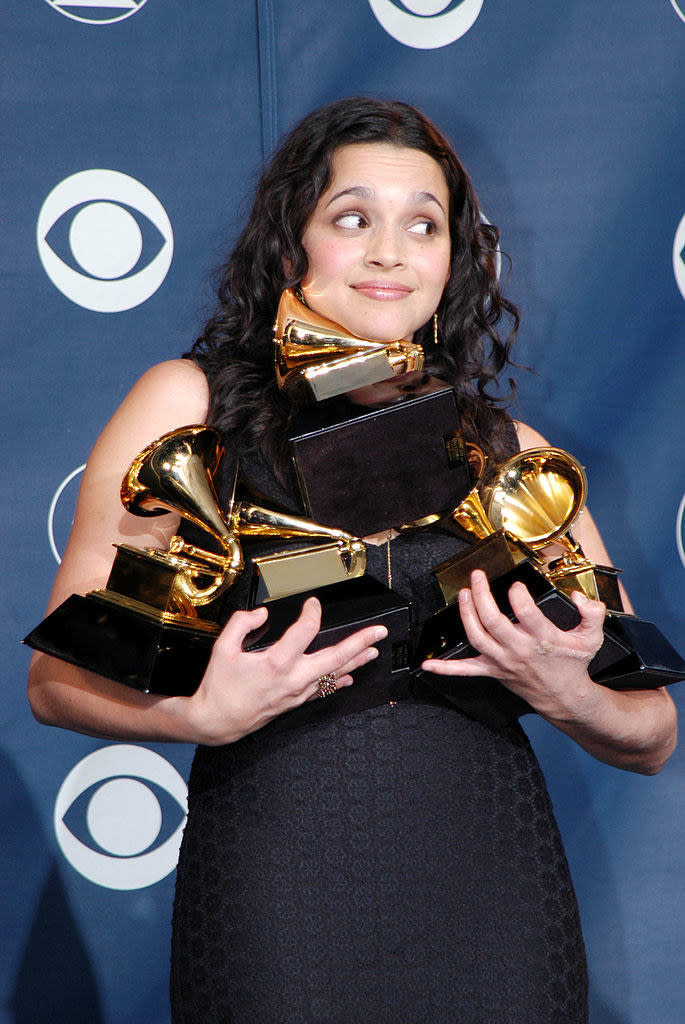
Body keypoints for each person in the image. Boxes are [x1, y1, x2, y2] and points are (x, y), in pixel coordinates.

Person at [28, 98, 676, 1023]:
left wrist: (568, 689)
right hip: (277, 891)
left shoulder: (507, 454)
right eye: (352, 218)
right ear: (292, 244)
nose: (389, 252)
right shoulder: (191, 407)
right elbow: (55, 683)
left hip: (495, 900)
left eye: (423, 224)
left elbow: (651, 736)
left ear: (455, 257)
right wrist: (199, 713)